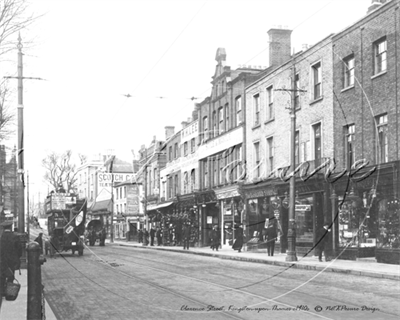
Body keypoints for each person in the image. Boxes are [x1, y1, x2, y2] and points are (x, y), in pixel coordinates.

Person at [0, 221, 22, 298]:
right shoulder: (15, 236)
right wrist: (17, 257)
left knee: (2, 275)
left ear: (3, 228)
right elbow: (19, 250)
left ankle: (2, 291)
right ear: (10, 227)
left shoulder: (1, 237)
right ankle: (9, 291)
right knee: (11, 275)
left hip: (2, 260)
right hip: (12, 260)